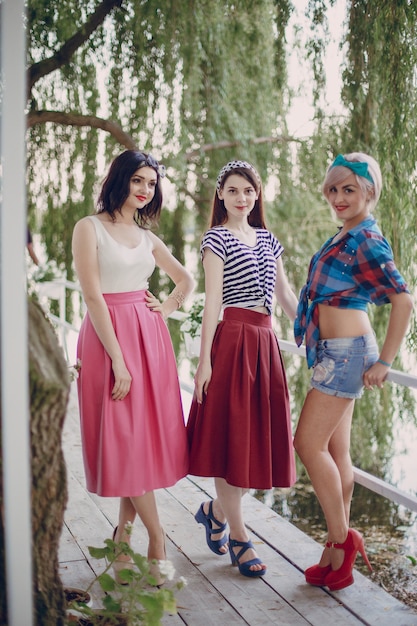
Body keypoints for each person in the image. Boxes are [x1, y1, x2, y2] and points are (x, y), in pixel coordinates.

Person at [72, 150, 194, 584]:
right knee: (126, 440)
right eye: (138, 180)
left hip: (149, 338)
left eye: (151, 184)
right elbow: (91, 297)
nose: (145, 190)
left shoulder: (147, 237)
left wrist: (165, 307)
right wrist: (119, 361)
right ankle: (157, 540)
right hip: (109, 339)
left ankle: (123, 542)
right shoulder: (89, 228)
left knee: (138, 442)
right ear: (120, 179)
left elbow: (186, 279)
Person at [293, 152, 413, 591]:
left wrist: (385, 361)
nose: (339, 197)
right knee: (337, 453)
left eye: (349, 189)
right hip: (336, 350)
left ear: (370, 192)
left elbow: (403, 300)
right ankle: (332, 548)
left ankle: (344, 542)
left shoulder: (366, 239)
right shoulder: (346, 233)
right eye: (333, 189)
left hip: (346, 353)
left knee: (306, 444)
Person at [187, 160, 298, 578]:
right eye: (233, 190)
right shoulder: (216, 239)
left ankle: (212, 512)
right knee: (231, 442)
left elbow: (285, 294)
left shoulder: (269, 239)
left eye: (248, 191)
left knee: (251, 445)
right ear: (221, 195)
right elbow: (212, 303)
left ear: (257, 195)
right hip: (232, 340)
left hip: (266, 343)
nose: (241, 198)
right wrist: (204, 362)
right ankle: (239, 536)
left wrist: (310, 329)